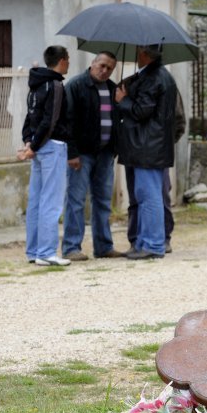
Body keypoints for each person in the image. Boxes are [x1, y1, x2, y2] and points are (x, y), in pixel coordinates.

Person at [115, 44, 180, 260]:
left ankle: (152, 243)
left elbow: (142, 110)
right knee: (144, 196)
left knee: (149, 196)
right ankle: (143, 241)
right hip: (146, 146)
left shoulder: (154, 78)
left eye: (137, 50)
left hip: (147, 147)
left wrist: (123, 100)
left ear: (144, 53)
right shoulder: (155, 76)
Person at [62, 51, 124, 261]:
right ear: (93, 63)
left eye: (110, 68)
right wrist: (72, 152)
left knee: (103, 201)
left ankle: (104, 246)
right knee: (76, 200)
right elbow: (67, 121)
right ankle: (71, 247)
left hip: (105, 153)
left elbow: (118, 119)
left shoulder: (113, 88)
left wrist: (121, 103)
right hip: (82, 153)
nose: (105, 71)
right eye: (102, 65)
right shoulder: (76, 85)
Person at [20, 45, 72, 266]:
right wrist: (34, 145)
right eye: (68, 59)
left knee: (36, 201)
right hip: (52, 146)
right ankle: (47, 252)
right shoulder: (55, 84)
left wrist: (29, 141)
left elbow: (30, 116)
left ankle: (33, 251)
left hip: (38, 146)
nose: (68, 63)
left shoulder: (36, 84)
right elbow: (50, 120)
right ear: (61, 60)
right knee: (51, 201)